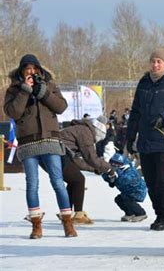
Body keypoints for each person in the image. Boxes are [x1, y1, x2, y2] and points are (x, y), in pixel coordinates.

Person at [3, 54, 77, 239]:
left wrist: (43, 92)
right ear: (22, 71)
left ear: (39, 69)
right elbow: (13, 112)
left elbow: (61, 107)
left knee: (58, 182)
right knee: (32, 185)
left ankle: (68, 223)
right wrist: (25, 91)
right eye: (27, 68)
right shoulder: (14, 89)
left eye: (34, 68)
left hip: (50, 140)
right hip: (28, 143)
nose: (31, 71)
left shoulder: (49, 85)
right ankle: (36, 225)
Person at [127, 48, 164, 231]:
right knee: (151, 181)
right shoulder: (144, 83)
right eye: (153, 61)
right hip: (145, 140)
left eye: (158, 61)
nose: (155, 65)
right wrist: (130, 137)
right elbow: (136, 112)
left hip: (163, 140)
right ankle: (159, 215)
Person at [55, 115, 114, 225]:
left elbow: (77, 162)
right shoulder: (86, 132)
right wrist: (109, 168)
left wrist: (95, 169)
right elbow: (91, 158)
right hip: (57, 153)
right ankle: (78, 215)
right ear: (98, 131)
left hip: (58, 152)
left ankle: (66, 213)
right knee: (79, 180)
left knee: (74, 180)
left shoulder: (83, 129)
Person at [102, 153, 148, 222]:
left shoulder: (129, 170)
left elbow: (129, 180)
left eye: (116, 165)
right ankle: (129, 213)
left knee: (127, 199)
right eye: (112, 164)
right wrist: (110, 178)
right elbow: (108, 178)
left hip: (138, 190)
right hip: (127, 191)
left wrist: (116, 177)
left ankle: (141, 213)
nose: (114, 166)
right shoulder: (115, 171)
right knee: (118, 199)